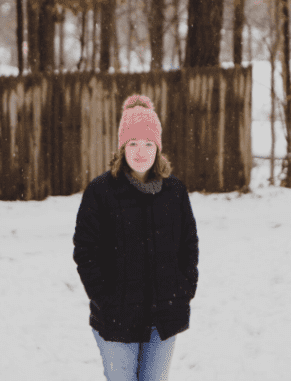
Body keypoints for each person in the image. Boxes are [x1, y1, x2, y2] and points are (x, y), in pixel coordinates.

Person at [73, 94, 199, 381]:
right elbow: (85, 251)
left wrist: (184, 289)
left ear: (158, 147)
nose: (140, 151)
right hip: (116, 318)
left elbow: (188, 246)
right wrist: (105, 298)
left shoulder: (175, 192)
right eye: (132, 144)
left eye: (148, 144)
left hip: (164, 316)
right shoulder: (100, 192)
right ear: (122, 147)